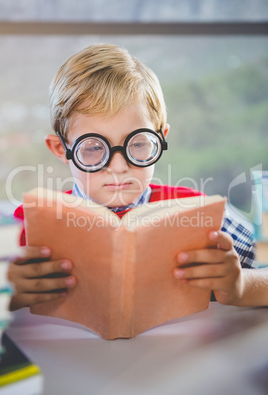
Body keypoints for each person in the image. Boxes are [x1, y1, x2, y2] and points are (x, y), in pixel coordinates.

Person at [9, 43, 267, 311]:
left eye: (138, 144)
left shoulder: (205, 217)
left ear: (160, 139)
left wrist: (241, 286)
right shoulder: (27, 227)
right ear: (62, 149)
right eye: (94, 148)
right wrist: (9, 294)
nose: (119, 166)